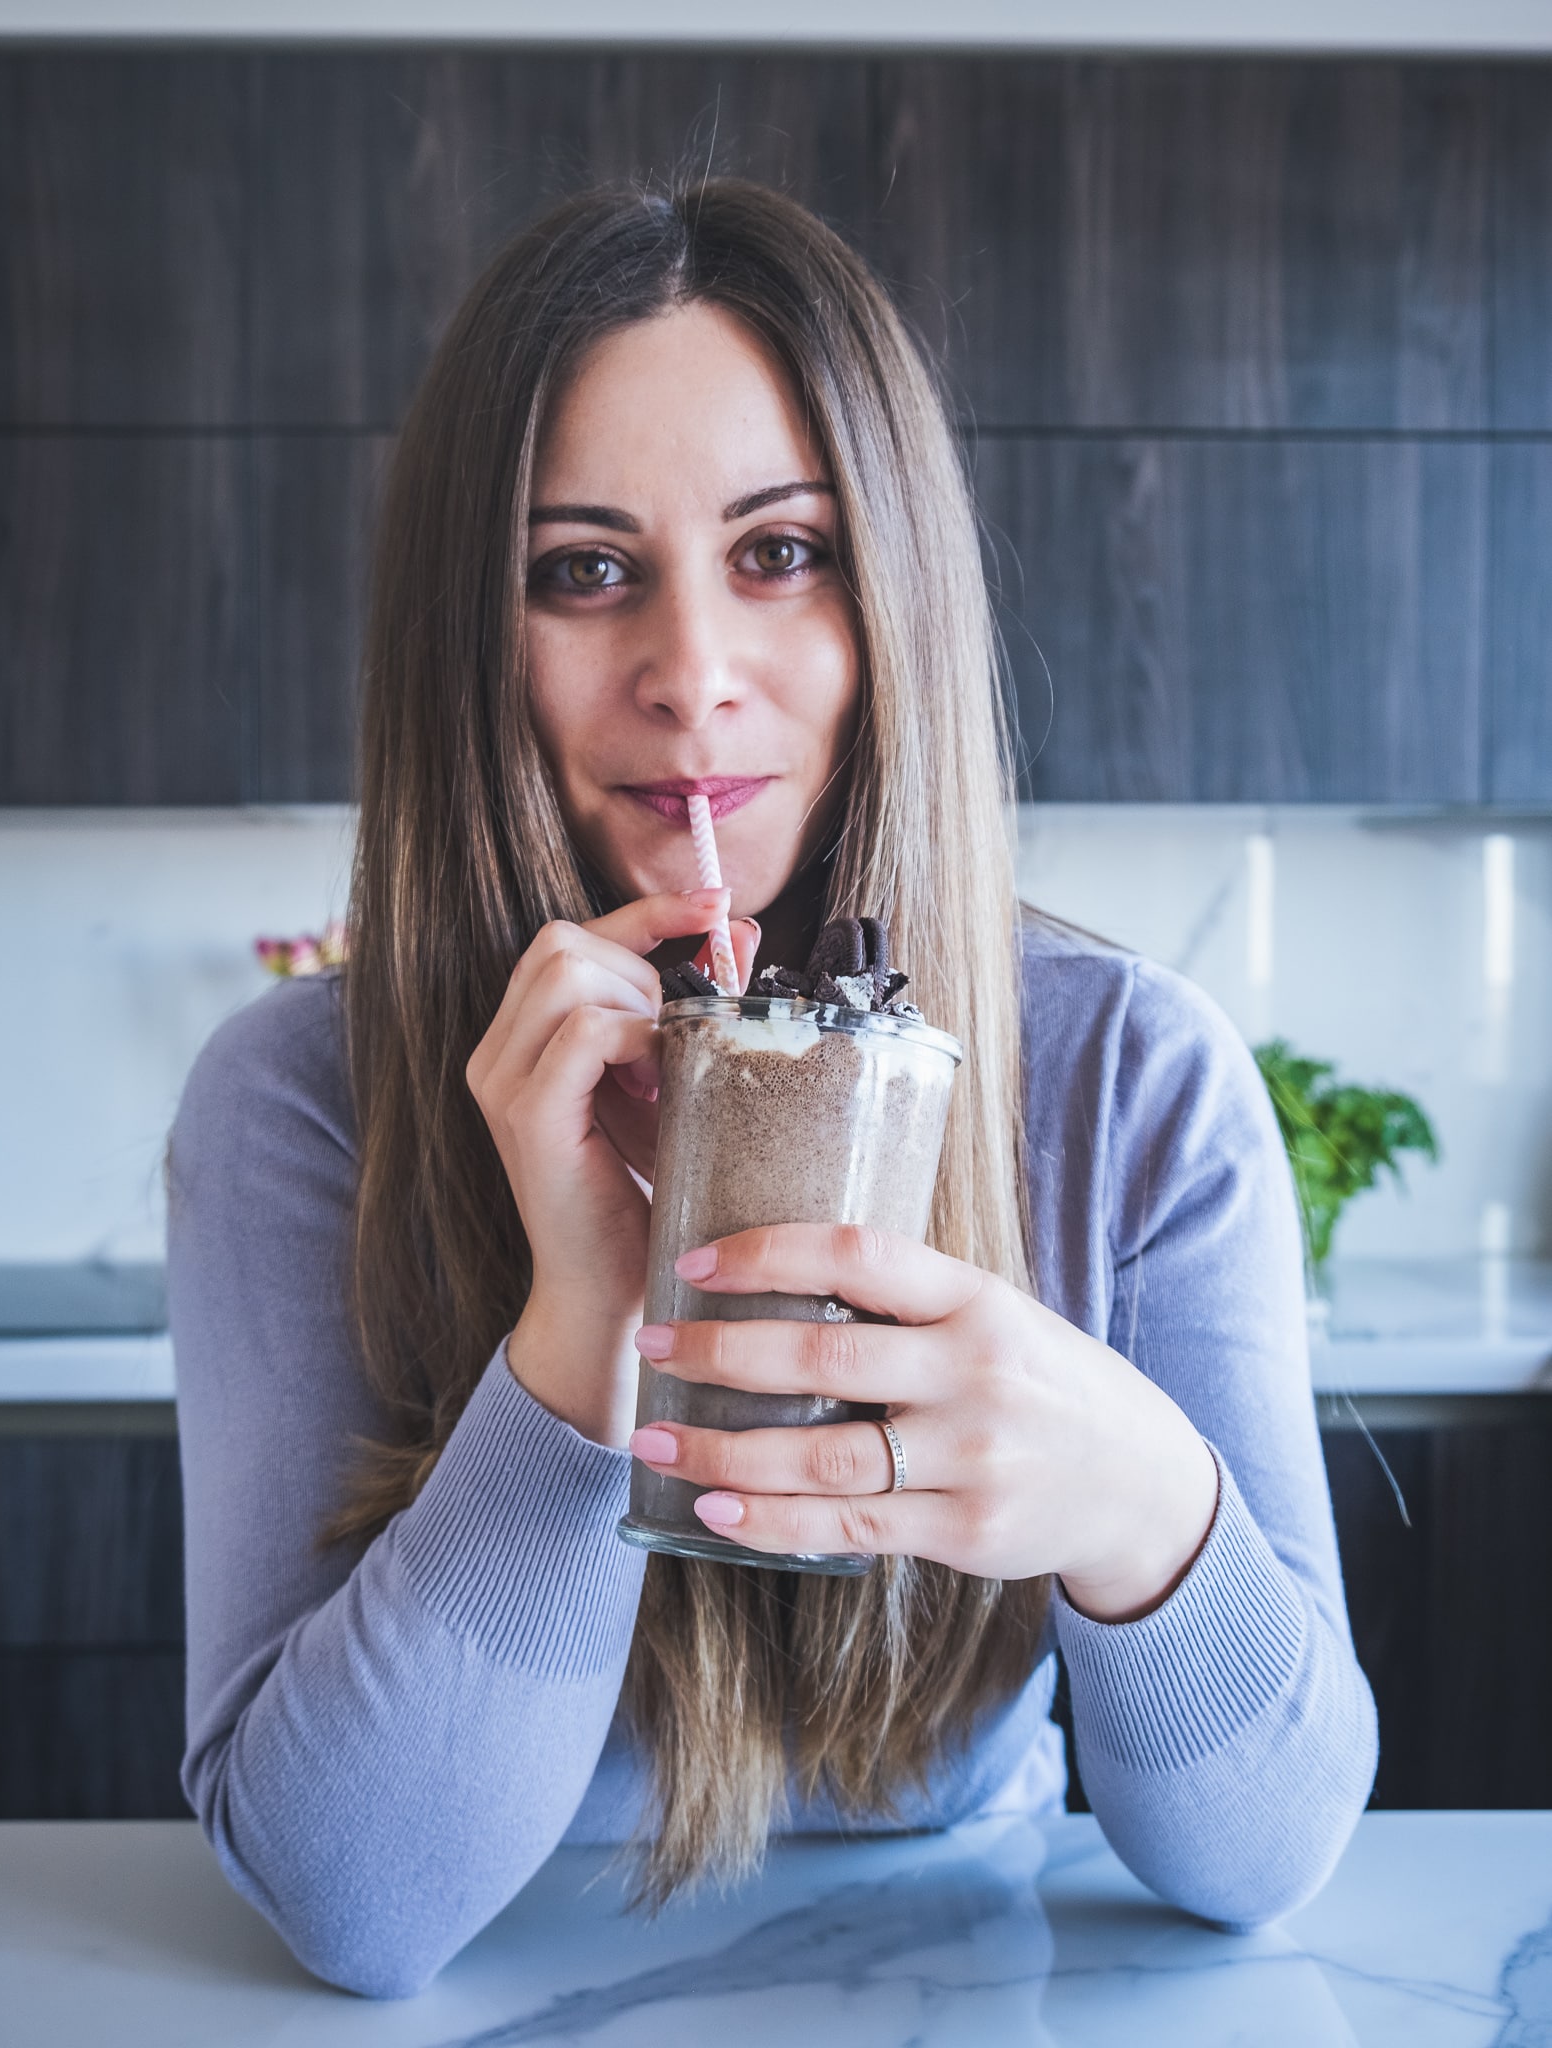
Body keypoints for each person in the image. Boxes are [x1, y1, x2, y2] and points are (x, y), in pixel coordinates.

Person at [166, 180, 1376, 1999]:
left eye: (781, 552)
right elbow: (353, 1906)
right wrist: (584, 1320)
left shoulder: (1131, 1083)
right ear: (470, 637)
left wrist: (1137, 1505)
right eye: (584, 570)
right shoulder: (295, 1106)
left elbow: (1258, 1871)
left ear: (893, 592)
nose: (690, 679)